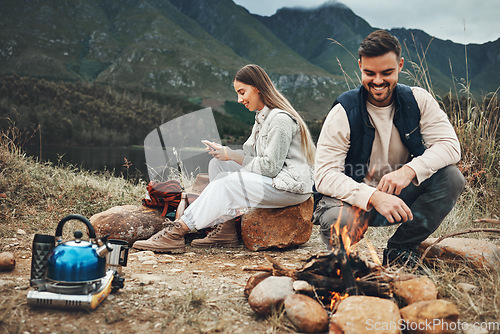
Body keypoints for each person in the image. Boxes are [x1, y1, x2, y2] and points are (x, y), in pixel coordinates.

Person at [313, 30, 465, 267]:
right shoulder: (343, 110)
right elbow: (323, 175)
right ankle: (345, 263)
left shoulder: (418, 100)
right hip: (352, 202)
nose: (378, 81)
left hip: (398, 198)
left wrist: (408, 171)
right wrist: (373, 196)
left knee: (452, 178)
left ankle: (400, 250)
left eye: (387, 73)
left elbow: (450, 146)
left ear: (400, 65)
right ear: (360, 65)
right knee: (337, 221)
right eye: (369, 73)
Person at [133, 64, 316, 253]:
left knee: (227, 183)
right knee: (219, 164)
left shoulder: (280, 120)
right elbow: (251, 157)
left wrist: (232, 155)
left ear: (257, 88)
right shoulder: (262, 118)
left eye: (242, 92)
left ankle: (177, 231)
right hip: (275, 180)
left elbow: (270, 167)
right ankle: (226, 229)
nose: (239, 99)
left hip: (289, 187)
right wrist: (225, 152)